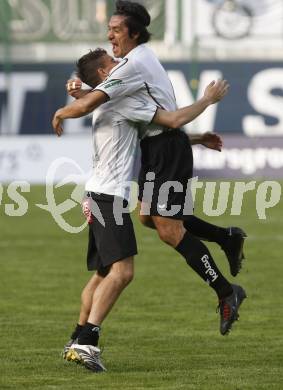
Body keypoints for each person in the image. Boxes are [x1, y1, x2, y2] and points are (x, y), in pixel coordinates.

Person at [53, 0, 247, 359]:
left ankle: (224, 289)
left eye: (115, 29)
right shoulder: (124, 80)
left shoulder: (131, 67)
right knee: (142, 233)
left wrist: (73, 100)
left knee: (161, 231)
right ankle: (226, 242)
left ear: (134, 33)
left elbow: (108, 104)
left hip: (154, 156)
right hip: (141, 162)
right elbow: (120, 106)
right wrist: (79, 92)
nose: (110, 35)